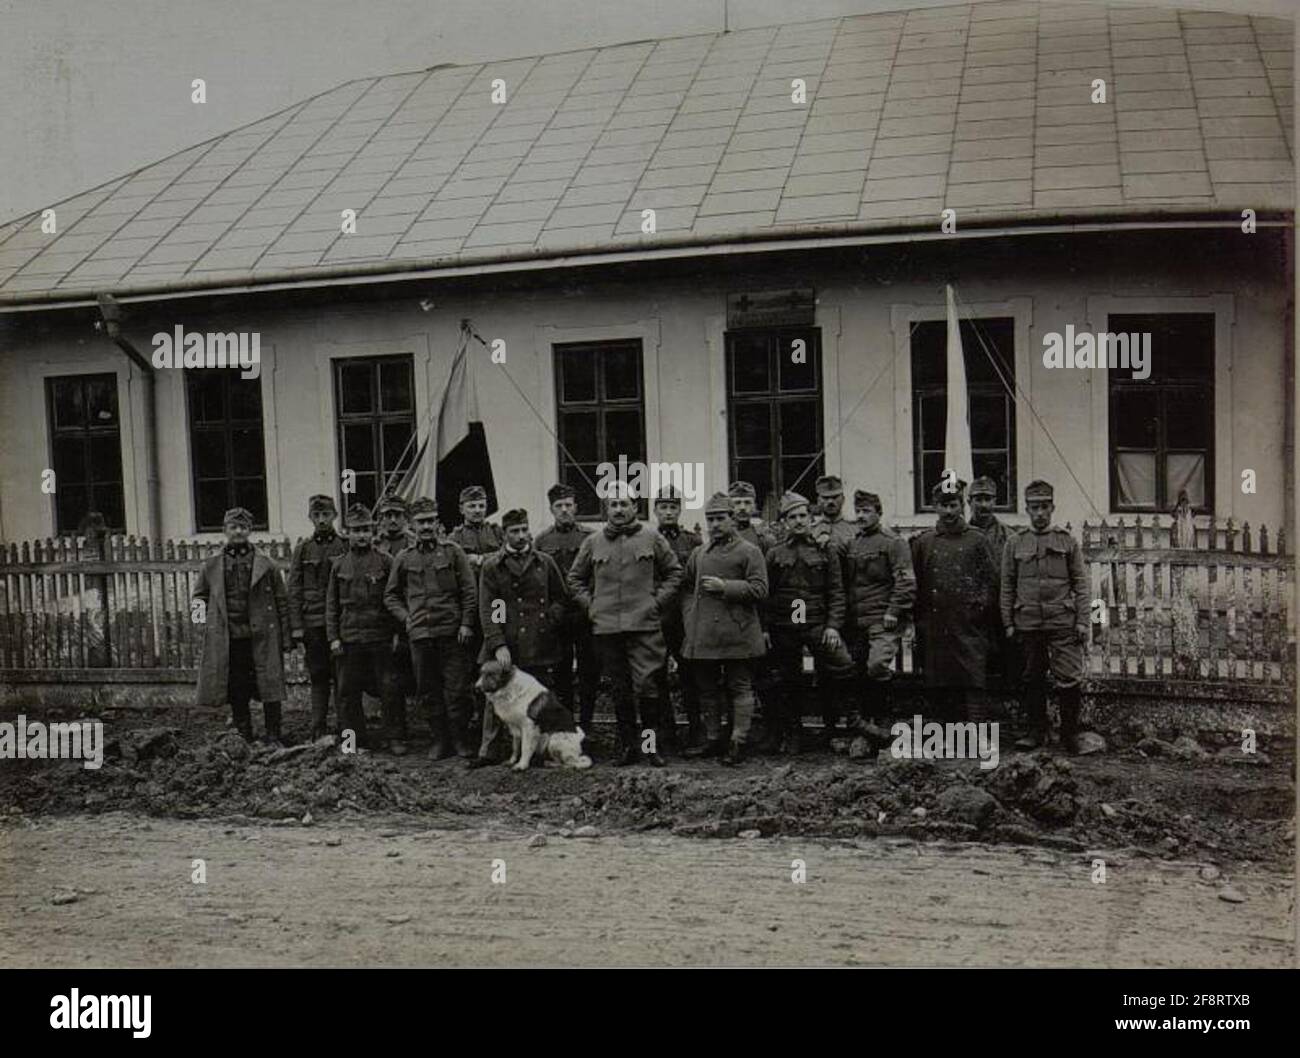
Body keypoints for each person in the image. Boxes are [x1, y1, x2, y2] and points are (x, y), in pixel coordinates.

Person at [567, 482, 683, 766]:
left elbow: (674, 574)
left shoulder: (652, 537)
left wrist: (655, 603)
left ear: (635, 507)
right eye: (613, 504)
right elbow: (574, 579)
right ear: (607, 508)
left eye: (624, 504)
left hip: (644, 627)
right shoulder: (593, 542)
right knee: (620, 690)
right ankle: (628, 748)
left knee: (648, 688)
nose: (618, 509)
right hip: (607, 629)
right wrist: (592, 606)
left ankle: (650, 747)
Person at [473, 508, 569, 766]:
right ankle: (489, 751)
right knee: (497, 694)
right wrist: (498, 643)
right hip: (510, 638)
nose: (521, 536)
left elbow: (561, 597)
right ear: (504, 534)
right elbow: (489, 608)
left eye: (524, 529)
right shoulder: (494, 566)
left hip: (540, 640)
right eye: (514, 531)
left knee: (540, 699)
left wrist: (550, 619)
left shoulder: (544, 562)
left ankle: (543, 751)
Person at [384, 496, 477, 759]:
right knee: (427, 690)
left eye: (430, 521)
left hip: (451, 632)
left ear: (437, 522)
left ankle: (460, 739)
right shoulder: (404, 557)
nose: (426, 527)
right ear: (412, 524)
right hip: (421, 634)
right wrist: (406, 618)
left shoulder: (453, 552)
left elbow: (469, 590)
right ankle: (439, 740)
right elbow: (391, 595)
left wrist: (467, 623)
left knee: (457, 689)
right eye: (421, 522)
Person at [1001, 480, 1091, 752]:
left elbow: (1082, 584)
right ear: (1026, 509)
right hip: (1028, 622)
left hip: (1062, 622)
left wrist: (1084, 621)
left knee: (1069, 678)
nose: (1039, 513)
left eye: (1044, 507)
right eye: (1033, 507)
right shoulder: (1015, 543)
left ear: (1052, 508)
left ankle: (1069, 735)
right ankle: (1035, 732)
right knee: (1032, 678)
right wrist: (1007, 622)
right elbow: (1007, 585)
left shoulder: (1067, 541)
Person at [681, 492, 768, 765]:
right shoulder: (699, 553)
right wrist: (689, 617)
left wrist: (725, 587)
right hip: (705, 632)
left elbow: (761, 589)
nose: (715, 524)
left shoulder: (749, 551)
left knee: (740, 686)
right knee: (706, 689)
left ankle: (738, 742)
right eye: (710, 519)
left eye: (720, 518)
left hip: (737, 632)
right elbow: (686, 588)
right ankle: (713, 739)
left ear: (732, 519)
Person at [762, 491, 853, 754]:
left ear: (811, 518)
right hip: (785, 626)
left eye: (803, 515)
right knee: (788, 679)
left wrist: (834, 626)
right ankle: (794, 732)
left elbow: (837, 590)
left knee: (838, 669)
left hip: (817, 624)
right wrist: (766, 628)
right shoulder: (775, 553)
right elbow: (767, 594)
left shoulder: (827, 550)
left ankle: (834, 728)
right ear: (785, 521)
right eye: (793, 517)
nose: (799, 521)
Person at [194, 507, 292, 744]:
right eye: (233, 527)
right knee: (237, 686)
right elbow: (199, 597)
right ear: (225, 530)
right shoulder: (211, 565)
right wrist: (203, 627)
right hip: (230, 637)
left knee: (269, 684)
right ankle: (243, 733)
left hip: (262, 635)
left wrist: (286, 636)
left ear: (250, 530)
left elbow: (282, 601)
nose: (238, 531)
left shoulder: (266, 564)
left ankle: (273, 733)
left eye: (243, 527)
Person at [910, 481, 1000, 723]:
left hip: (970, 624)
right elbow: (915, 585)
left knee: (973, 680)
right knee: (938, 681)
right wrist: (920, 622)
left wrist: (978, 610)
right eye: (943, 505)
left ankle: (977, 733)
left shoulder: (978, 540)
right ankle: (944, 737)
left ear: (962, 506)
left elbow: (991, 581)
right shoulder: (924, 543)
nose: (948, 511)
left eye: (953, 505)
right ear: (934, 507)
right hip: (935, 624)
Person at [326, 504, 402, 752]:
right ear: (347, 532)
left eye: (365, 530)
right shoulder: (338, 565)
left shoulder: (385, 561)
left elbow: (394, 598)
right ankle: (353, 740)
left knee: (389, 688)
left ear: (373, 531)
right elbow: (332, 605)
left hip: (379, 636)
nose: (361, 535)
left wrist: (394, 634)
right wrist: (334, 637)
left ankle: (394, 738)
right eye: (356, 530)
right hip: (349, 637)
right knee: (348, 693)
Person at [842, 489, 916, 731]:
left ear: (879, 513)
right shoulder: (853, 543)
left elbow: (906, 581)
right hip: (857, 620)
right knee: (857, 670)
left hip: (883, 620)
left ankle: (885, 716)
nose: (861, 516)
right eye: (858, 511)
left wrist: (894, 611)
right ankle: (866, 725)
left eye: (867, 511)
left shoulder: (894, 542)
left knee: (877, 666)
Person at [534, 483, 599, 730]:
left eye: (568, 505)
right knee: (561, 674)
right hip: (558, 617)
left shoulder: (590, 537)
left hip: (585, 614)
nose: (564, 510)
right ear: (551, 509)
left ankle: (587, 724)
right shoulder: (542, 540)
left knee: (589, 672)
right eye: (559, 506)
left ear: (576, 507)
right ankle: (567, 725)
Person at [287, 494, 348, 741]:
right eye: (317, 515)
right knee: (319, 676)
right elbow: (294, 589)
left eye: (326, 515)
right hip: (313, 624)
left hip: (341, 623)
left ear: (334, 516)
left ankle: (346, 729)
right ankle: (318, 728)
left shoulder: (344, 546)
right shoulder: (303, 549)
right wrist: (297, 627)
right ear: (310, 517)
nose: (322, 520)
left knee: (343, 679)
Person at [652, 485, 703, 750]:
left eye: (673, 507)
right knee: (657, 675)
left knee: (690, 676)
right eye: (663, 507)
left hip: (685, 619)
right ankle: (666, 732)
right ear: (655, 511)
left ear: (680, 510)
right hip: (658, 619)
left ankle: (696, 730)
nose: (668, 512)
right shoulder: (647, 539)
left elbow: (697, 579)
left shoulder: (692, 542)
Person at [967, 475, 1019, 699]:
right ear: (969, 502)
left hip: (1000, 612)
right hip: (971, 615)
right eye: (978, 499)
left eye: (988, 499)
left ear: (995, 501)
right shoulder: (961, 535)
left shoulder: (1010, 537)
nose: (983, 505)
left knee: (1008, 665)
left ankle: (1007, 717)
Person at [373, 495, 415, 748]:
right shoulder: (374, 545)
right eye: (387, 515)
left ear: (405, 518)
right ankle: (396, 734)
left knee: (422, 676)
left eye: (397, 515)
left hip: (413, 619)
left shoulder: (415, 543)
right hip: (384, 623)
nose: (392, 520)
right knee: (390, 680)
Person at [728, 481, 778, 555]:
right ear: (729, 506)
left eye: (747, 503)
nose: (742, 507)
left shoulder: (763, 538)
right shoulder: (722, 535)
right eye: (737, 503)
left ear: (754, 506)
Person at [810, 474, 857, 550]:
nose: (830, 502)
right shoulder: (811, 531)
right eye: (825, 498)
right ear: (818, 501)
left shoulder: (855, 529)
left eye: (835, 497)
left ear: (843, 499)